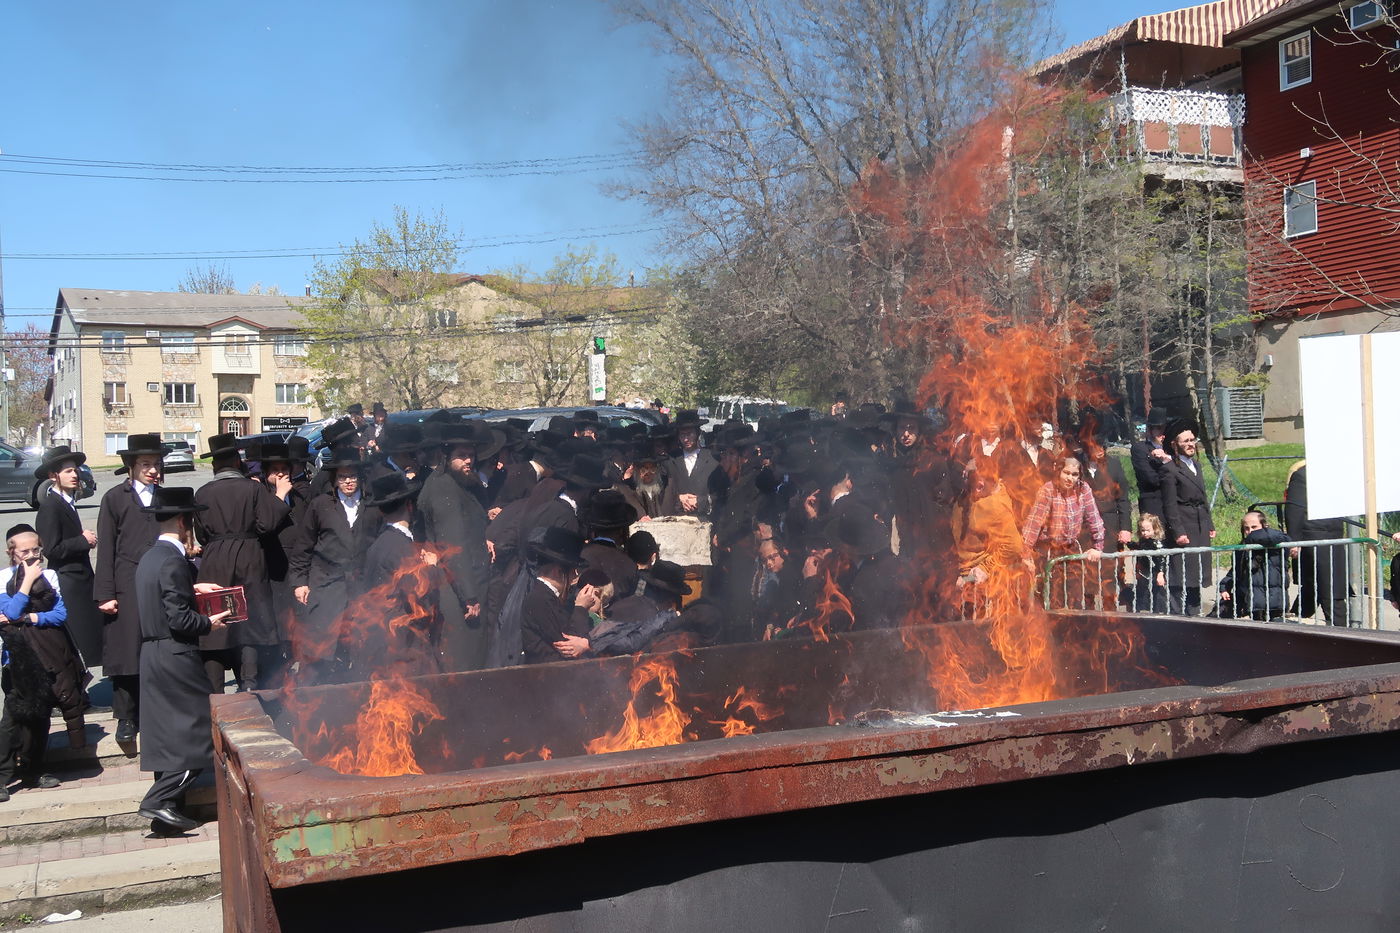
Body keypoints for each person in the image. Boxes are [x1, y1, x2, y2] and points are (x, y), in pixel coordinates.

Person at [134, 486, 234, 835]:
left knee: (166, 736)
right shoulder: (174, 560)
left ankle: (165, 818)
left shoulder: (150, 557)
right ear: (182, 520)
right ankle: (158, 799)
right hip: (176, 656)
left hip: (153, 654)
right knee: (199, 732)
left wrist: (194, 590)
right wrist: (210, 621)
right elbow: (179, 619)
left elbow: (164, 600)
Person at [193, 434, 291, 693]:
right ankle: (248, 684)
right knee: (250, 622)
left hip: (214, 560)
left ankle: (214, 690)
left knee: (215, 618)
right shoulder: (253, 488)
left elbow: (201, 534)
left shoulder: (202, 493)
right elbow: (267, 524)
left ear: (215, 465)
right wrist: (280, 498)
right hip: (249, 557)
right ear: (238, 461)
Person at [0, 524, 88, 800]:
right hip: (17, 661)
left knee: (41, 718)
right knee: (12, 719)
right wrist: (26, 582)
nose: (31, 556)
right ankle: (2, 775)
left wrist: (28, 619)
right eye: (24, 551)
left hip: (48, 657)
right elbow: (8, 610)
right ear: (11, 552)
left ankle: (33, 768)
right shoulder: (4, 578)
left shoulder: (50, 575)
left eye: (35, 550)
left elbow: (60, 614)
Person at [94, 433, 164, 742]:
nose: (152, 470)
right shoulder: (115, 498)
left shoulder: (163, 497)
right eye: (146, 464)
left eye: (156, 464)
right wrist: (105, 593)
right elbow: (106, 547)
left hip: (159, 583)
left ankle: (154, 713)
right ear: (131, 467)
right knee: (126, 651)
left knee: (157, 648)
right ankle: (125, 717)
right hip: (125, 581)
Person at [417, 421, 498, 671]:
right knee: (465, 664)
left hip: (463, 584)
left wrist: (481, 538)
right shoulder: (444, 488)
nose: (468, 461)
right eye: (461, 456)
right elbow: (453, 545)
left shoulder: (457, 483)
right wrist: (469, 596)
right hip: (457, 592)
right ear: (446, 456)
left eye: (471, 455)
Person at [288, 446, 369, 682]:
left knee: (356, 645)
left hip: (360, 586)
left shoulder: (371, 506)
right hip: (326, 584)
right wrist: (300, 582)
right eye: (343, 477)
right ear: (335, 479)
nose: (349, 482)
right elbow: (304, 545)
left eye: (353, 476)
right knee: (322, 649)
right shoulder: (321, 505)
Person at [358, 472, 441, 677]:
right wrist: (431, 566)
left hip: (380, 637)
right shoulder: (401, 547)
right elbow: (419, 594)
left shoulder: (379, 544)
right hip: (403, 642)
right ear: (409, 506)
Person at [33, 446, 101, 668]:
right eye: (68, 471)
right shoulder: (50, 506)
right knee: (76, 641)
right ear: (54, 476)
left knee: (89, 639)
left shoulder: (66, 502)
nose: (74, 475)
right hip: (68, 581)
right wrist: (84, 540)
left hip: (80, 579)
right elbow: (51, 549)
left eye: (75, 470)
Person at [1021, 456, 1105, 610]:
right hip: (1048, 551)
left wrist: (1097, 546)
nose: (1070, 478)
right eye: (1066, 473)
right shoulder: (1048, 490)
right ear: (1058, 471)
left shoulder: (1084, 489)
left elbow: (1094, 518)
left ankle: (1074, 630)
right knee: (1051, 599)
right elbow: (1034, 523)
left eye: (1074, 474)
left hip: (1071, 549)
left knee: (1075, 597)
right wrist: (1025, 554)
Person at [1283, 463, 1352, 626]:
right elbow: (1294, 509)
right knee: (1325, 590)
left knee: (1315, 589)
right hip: (1314, 538)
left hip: (1333, 537)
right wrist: (1294, 541)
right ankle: (1340, 633)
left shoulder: (1337, 473)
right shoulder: (1303, 474)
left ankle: (1292, 624)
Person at [514, 527, 596, 665]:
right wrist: (581, 608)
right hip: (549, 677)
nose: (575, 576)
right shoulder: (540, 598)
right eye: (573, 571)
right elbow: (569, 645)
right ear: (558, 571)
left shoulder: (546, 596)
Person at [1159, 422, 1215, 616]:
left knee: (1196, 573)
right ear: (1176, 444)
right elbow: (1169, 505)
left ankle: (1194, 612)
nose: (1191, 444)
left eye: (1193, 440)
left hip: (1199, 523)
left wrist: (1210, 524)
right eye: (1186, 441)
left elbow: (1203, 497)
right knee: (1180, 573)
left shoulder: (1196, 466)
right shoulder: (1170, 470)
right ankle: (1176, 614)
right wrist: (1178, 532)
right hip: (1184, 525)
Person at [1217, 510, 1291, 621]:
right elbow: (1235, 572)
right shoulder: (1242, 548)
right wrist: (1224, 587)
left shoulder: (1275, 543)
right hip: (1253, 601)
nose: (1250, 531)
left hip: (1274, 602)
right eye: (1246, 528)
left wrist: (1254, 536)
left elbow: (1277, 536)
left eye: (1254, 527)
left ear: (1265, 526)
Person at [661, 410, 720, 517]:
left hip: (704, 520)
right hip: (676, 520)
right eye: (682, 435)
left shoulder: (712, 459)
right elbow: (661, 491)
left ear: (698, 433)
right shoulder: (669, 459)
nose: (686, 439)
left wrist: (700, 501)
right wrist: (678, 498)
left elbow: (719, 494)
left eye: (689, 434)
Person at [1131, 410, 1172, 521]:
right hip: (1154, 504)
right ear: (1150, 430)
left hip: (1174, 505)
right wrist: (1166, 463)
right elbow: (1151, 479)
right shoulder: (1141, 449)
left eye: (1165, 428)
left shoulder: (1172, 450)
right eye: (1158, 428)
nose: (1162, 433)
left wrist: (1168, 459)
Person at [1125, 514, 1169, 614]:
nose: (1144, 533)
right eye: (1142, 530)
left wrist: (1160, 573)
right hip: (1144, 572)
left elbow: (1161, 558)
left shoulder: (1157, 543)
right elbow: (1139, 548)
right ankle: (1141, 610)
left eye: (1147, 530)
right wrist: (1129, 543)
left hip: (1154, 572)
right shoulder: (1143, 541)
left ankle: (1158, 612)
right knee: (1143, 592)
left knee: (1157, 593)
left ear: (1155, 529)